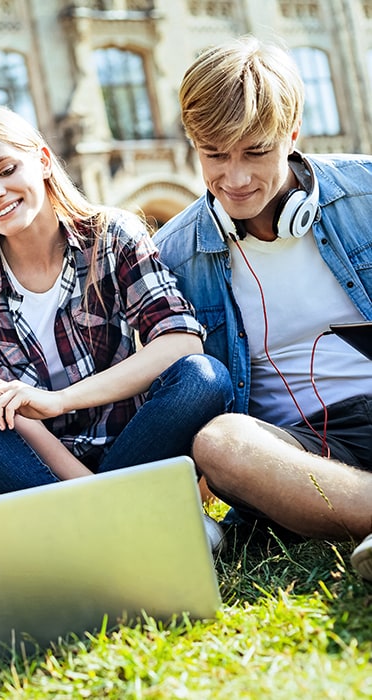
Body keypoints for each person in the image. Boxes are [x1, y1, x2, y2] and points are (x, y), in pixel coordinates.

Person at [0, 105, 233, 549]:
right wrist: (89, 493)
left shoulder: (111, 235)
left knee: (204, 377)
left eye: (6, 169)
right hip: (29, 470)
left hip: (132, 448)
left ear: (42, 160)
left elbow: (180, 340)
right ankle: (125, 521)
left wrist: (59, 401)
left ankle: (79, 533)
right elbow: (12, 414)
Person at [152, 35, 372, 578]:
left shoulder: (367, 193)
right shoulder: (171, 255)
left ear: (293, 133)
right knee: (221, 443)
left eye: (256, 152)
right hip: (299, 457)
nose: (236, 178)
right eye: (214, 155)